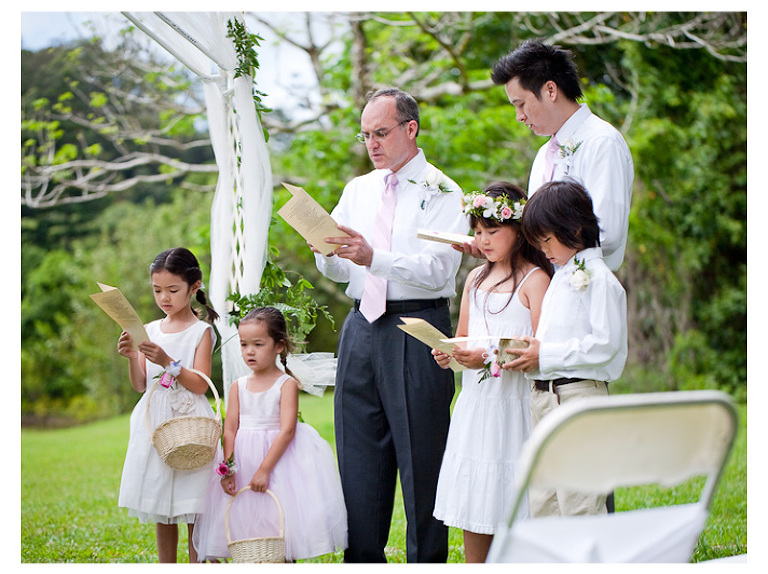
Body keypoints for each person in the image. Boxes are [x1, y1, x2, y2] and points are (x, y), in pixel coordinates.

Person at [312, 87, 469, 562]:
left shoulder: (444, 192)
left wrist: (373, 256)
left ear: (410, 129)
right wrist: (327, 255)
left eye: (380, 133)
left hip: (417, 329)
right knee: (358, 461)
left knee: (422, 462)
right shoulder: (358, 189)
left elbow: (440, 270)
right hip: (361, 327)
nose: (372, 144)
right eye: (366, 136)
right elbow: (344, 271)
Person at [431, 182, 552, 562]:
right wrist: (449, 350)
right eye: (477, 231)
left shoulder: (536, 280)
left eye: (492, 230)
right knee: (476, 495)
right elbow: (465, 335)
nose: (482, 240)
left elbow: (540, 347)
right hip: (478, 404)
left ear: (519, 229)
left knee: (515, 494)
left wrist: (486, 357)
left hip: (514, 403)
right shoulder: (475, 279)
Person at [505, 179, 628, 517]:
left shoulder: (599, 278)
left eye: (547, 239)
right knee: (545, 503)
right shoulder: (561, 275)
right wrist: (532, 355)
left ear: (574, 229)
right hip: (544, 398)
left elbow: (605, 346)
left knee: (580, 503)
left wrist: (544, 354)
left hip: (578, 398)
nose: (544, 250)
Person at [457, 41, 633, 273]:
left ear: (550, 90)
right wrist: (499, 244)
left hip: (586, 287)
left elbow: (606, 232)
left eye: (521, 105)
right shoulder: (544, 154)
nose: (519, 117)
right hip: (546, 290)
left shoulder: (601, 142)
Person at [192, 307, 347, 562]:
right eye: (244, 344)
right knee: (245, 521)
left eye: (258, 344)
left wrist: (264, 469)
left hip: (279, 462)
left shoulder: (285, 384)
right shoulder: (238, 386)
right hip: (244, 460)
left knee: (281, 521)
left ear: (278, 345)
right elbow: (230, 428)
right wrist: (228, 467)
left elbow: (287, 430)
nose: (249, 351)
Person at [117, 247, 219, 563]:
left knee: (194, 503)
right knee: (162, 504)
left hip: (189, 421)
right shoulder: (149, 329)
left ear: (194, 286)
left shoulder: (201, 331)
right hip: (155, 424)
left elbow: (200, 384)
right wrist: (133, 356)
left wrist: (168, 362)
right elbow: (140, 384)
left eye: (173, 290)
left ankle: (198, 564)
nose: (165, 297)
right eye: (158, 290)